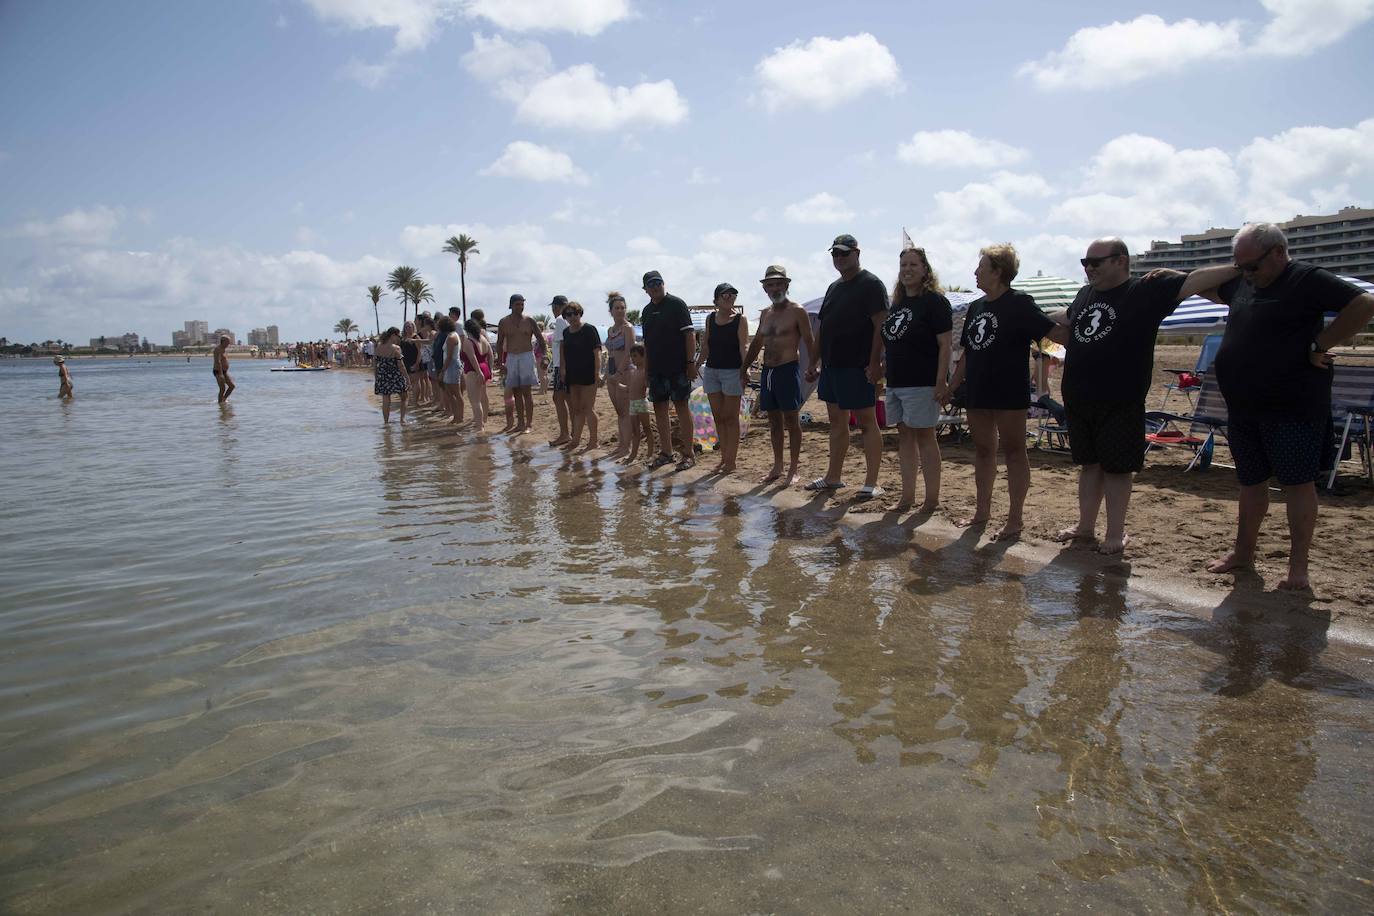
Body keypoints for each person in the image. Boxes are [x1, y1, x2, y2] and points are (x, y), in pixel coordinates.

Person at [1204, 222, 1374, 590]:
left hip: (1293, 406)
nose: (1247, 274)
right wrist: (1178, 274)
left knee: (1297, 485)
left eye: (1252, 266)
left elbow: (1363, 303)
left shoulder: (1305, 279)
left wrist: (1320, 344)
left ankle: (1298, 570)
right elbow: (1202, 285)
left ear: (1279, 252)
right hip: (1245, 407)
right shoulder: (1243, 281)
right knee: (1251, 483)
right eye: (1240, 266)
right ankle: (1243, 553)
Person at [1048, 237, 1239, 554]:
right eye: (1085, 262)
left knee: (1117, 469)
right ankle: (1085, 527)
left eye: (1095, 262)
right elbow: (1067, 318)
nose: (1088, 268)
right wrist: (1030, 314)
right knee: (1090, 466)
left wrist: (1239, 265)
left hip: (1120, 399)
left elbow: (1193, 282)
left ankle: (1115, 534)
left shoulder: (1144, 291)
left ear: (1121, 261)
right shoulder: (1085, 294)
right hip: (1080, 399)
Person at [945, 244, 1050, 540]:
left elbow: (1050, 334)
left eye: (981, 267)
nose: (975, 272)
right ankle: (982, 513)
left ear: (998, 271)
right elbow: (967, 352)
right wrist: (951, 386)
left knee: (1015, 452)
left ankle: (1014, 520)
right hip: (978, 389)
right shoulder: (977, 307)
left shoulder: (1020, 303)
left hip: (1009, 391)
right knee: (983, 451)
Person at [804, 234, 888, 496]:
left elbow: (881, 326)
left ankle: (872, 483)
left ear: (857, 253)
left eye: (844, 253)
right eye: (835, 254)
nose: (839, 258)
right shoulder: (834, 288)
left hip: (859, 366)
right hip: (832, 366)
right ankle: (833, 477)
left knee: (866, 422)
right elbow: (823, 330)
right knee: (837, 423)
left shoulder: (872, 284)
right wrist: (814, 361)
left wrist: (875, 362)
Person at [882, 246, 952, 513]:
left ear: (925, 270)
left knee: (925, 437)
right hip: (897, 382)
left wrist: (941, 381)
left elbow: (945, 345)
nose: (907, 270)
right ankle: (907, 497)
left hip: (922, 382)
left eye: (913, 265)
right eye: (903, 266)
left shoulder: (934, 302)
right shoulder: (898, 304)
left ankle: (931, 500)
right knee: (905, 438)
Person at [744, 264, 816, 486]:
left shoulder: (797, 311)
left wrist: (813, 365)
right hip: (768, 372)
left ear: (786, 285)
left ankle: (793, 469)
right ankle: (777, 466)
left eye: (778, 284)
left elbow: (809, 341)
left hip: (788, 369)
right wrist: (743, 367)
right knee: (773, 421)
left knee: (792, 420)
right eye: (770, 284)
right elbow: (757, 342)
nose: (774, 288)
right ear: (765, 288)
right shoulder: (765, 313)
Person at [639, 270, 698, 470]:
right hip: (656, 370)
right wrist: (646, 372)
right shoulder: (646, 312)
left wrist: (691, 363)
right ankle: (666, 452)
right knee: (660, 409)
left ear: (663, 283)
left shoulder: (677, 305)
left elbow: (689, 335)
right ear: (645, 290)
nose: (655, 286)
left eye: (658, 282)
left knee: (682, 407)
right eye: (651, 284)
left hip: (678, 367)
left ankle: (688, 454)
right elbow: (646, 344)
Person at [695, 282, 750, 474]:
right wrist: (695, 365)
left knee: (730, 417)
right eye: (724, 295)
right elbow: (705, 347)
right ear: (716, 300)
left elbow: (743, 346)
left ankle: (731, 461)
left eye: (732, 294)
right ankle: (724, 458)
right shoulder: (710, 318)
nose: (729, 297)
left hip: (732, 372)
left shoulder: (740, 319)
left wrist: (746, 368)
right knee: (718, 417)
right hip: (712, 372)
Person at [557, 301, 602, 454]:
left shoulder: (589, 329)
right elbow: (563, 353)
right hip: (572, 374)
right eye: (569, 314)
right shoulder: (566, 332)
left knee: (588, 408)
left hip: (588, 374)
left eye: (575, 313)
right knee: (576, 409)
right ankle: (575, 440)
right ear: (565, 317)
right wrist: (562, 370)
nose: (573, 317)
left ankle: (593, 441)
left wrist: (597, 372)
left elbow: (597, 352)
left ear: (580, 313)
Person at [496, 293, 540, 434]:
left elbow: (541, 339)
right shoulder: (504, 322)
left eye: (522, 304)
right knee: (516, 391)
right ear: (511, 305)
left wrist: (544, 356)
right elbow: (499, 342)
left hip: (526, 355)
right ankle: (520, 422)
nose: (520, 307)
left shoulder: (529, 320)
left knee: (526, 391)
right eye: (517, 304)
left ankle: (529, 424)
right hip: (511, 357)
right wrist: (500, 361)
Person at [604, 293, 637, 461]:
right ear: (611, 311)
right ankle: (621, 444)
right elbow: (610, 353)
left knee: (625, 411)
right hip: (611, 372)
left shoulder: (628, 328)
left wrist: (618, 373)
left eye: (623, 308)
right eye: (617, 308)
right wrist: (607, 374)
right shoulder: (610, 331)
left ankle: (627, 446)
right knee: (619, 411)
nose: (620, 311)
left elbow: (629, 353)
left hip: (625, 373)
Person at [615, 343, 654, 464]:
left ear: (643, 357)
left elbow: (648, 386)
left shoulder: (645, 372)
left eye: (635, 356)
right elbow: (628, 388)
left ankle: (650, 453)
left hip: (642, 402)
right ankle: (633, 454)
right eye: (632, 357)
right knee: (635, 430)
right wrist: (617, 384)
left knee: (647, 428)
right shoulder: (634, 372)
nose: (633, 359)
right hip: (632, 404)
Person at [372, 326, 409, 423]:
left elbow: (375, 364)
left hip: (382, 376)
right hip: (395, 375)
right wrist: (407, 378)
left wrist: (376, 376)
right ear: (393, 335)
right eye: (398, 336)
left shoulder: (378, 347)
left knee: (386, 398)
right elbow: (401, 366)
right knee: (404, 397)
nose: (399, 338)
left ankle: (386, 422)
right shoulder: (396, 348)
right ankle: (402, 419)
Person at [460, 318, 489, 434]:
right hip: (484, 367)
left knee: (475, 400)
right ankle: (484, 420)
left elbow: (472, 358)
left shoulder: (468, 341)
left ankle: (479, 426)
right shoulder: (483, 338)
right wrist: (489, 369)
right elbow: (490, 354)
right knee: (483, 396)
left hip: (474, 371)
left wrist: (478, 372)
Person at [437, 316, 466, 425]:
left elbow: (449, 357)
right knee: (451, 393)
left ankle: (459, 417)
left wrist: (443, 371)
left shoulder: (451, 337)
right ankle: (457, 416)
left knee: (455, 393)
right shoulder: (453, 335)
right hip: (453, 365)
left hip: (452, 366)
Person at [213, 335, 235, 402]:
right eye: (228, 342)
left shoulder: (223, 348)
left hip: (224, 371)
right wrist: (221, 374)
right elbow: (218, 361)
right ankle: (220, 403)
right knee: (222, 389)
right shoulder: (218, 349)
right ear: (223, 341)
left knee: (232, 386)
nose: (229, 343)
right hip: (218, 371)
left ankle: (223, 400)